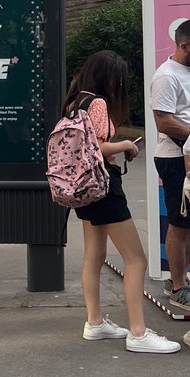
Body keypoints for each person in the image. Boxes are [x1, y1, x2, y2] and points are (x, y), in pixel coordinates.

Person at [66, 50, 179, 353]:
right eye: (118, 77)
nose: (121, 82)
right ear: (108, 76)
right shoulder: (99, 103)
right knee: (136, 259)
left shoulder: (75, 101)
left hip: (83, 187)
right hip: (104, 185)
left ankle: (95, 322)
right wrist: (127, 144)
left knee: (94, 253)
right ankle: (139, 333)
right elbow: (99, 147)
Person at [150, 19, 190, 311]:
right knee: (180, 222)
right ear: (184, 45)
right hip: (175, 158)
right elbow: (163, 121)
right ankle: (177, 285)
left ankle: (182, 280)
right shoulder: (166, 76)